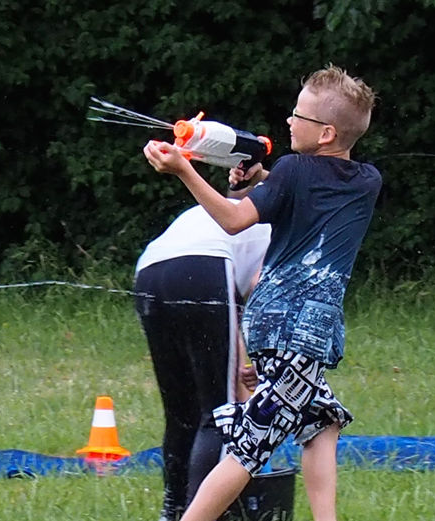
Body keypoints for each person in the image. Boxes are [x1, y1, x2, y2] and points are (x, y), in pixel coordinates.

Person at [143, 64, 380, 521]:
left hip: (285, 323)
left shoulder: (292, 172)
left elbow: (234, 219)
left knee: (320, 422)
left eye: (299, 115)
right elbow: (313, 188)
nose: (289, 121)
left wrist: (185, 171)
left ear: (326, 133)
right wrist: (263, 181)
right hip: (300, 327)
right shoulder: (367, 181)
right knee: (253, 445)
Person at [134, 199, 270, 521]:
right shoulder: (291, 234)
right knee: (221, 412)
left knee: (182, 412)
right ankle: (206, 512)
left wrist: (242, 363)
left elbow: (232, 305)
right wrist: (266, 366)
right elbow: (259, 289)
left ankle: (174, 508)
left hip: (150, 271)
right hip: (204, 265)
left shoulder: (250, 210)